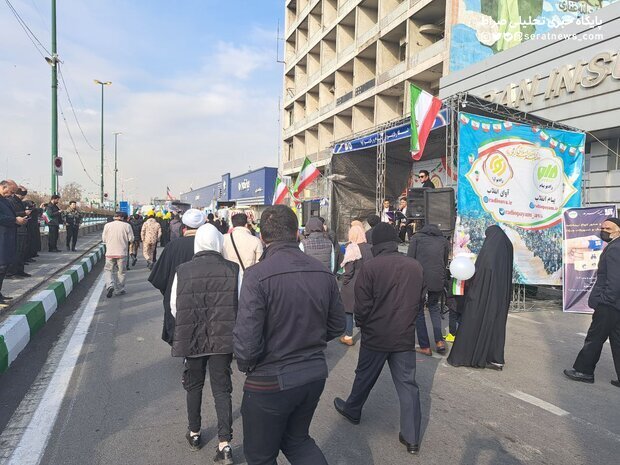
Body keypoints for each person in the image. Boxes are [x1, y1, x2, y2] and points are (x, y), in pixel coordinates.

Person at [233, 205, 345, 465]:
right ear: (297, 234)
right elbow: (337, 324)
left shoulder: (256, 276)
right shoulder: (322, 272)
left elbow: (247, 344)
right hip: (312, 374)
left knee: (261, 455)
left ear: (262, 237)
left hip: (269, 380)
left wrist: (249, 365)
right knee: (298, 441)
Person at [333, 223, 426, 455]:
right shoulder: (414, 266)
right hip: (403, 335)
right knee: (408, 385)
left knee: (364, 376)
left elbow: (362, 305)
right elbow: (420, 300)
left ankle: (353, 410)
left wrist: (363, 325)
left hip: (376, 334)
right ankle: (412, 437)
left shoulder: (372, 267)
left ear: (377, 244)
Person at [170, 223, 239, 463]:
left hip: (193, 336)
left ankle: (195, 432)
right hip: (223, 337)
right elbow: (238, 303)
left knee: (194, 385)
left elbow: (174, 307)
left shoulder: (183, 270)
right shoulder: (233, 269)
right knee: (222, 388)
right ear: (220, 242)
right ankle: (225, 442)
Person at [447, 225, 513, 370]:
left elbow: (481, 274)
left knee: (473, 322)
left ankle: (468, 356)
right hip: (500, 295)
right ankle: (495, 358)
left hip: (482, 296)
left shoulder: (489, 252)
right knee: (495, 325)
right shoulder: (506, 247)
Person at [564, 217, 620, 387]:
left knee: (594, 338)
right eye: (602, 227)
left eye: (608, 228)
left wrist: (606, 300)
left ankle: (584, 371)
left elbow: (615, 279)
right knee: (617, 340)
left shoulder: (615, 248)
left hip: (610, 304)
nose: (604, 230)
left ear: (618, 230)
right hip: (615, 304)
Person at [149, 209, 207, 345]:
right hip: (204, 296)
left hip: (177, 297)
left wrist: (168, 291)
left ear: (183, 228)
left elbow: (159, 277)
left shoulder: (172, 246)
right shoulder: (209, 246)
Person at [408, 223, 449, 355]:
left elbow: (410, 259)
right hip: (437, 278)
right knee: (434, 307)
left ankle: (425, 346)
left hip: (419, 277)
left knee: (419, 310)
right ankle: (439, 341)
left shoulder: (416, 238)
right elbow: (444, 260)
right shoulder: (443, 241)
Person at [339, 223, 373, 346]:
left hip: (353, 283)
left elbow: (349, 270)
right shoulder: (370, 247)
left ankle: (348, 336)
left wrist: (345, 281)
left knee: (349, 310)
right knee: (365, 310)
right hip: (367, 282)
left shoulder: (352, 248)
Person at [0, 180, 28, 304]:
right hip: (2, 237)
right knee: (1, 267)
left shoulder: (5, 200)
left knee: (4, 266)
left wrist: (19, 220)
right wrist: (15, 220)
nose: (12, 194)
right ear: (2, 187)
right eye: (11, 191)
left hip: (8, 237)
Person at [102, 211, 134, 298]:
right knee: (121, 272)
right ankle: (119, 290)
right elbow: (131, 239)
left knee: (108, 270)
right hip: (122, 253)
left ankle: (109, 285)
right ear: (122, 217)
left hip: (110, 253)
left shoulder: (107, 225)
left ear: (114, 217)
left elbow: (104, 239)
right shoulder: (127, 226)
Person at [7, 186, 31, 278]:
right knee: (15, 251)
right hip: (16, 229)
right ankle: (11, 272)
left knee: (21, 251)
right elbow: (12, 215)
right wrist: (24, 213)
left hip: (22, 228)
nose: (23, 197)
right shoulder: (11, 201)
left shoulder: (19, 202)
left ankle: (20, 270)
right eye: (23, 194)